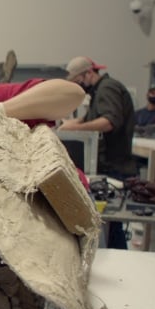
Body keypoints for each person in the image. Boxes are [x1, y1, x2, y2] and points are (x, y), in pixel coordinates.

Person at [59, 56, 138, 249]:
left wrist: (74, 130)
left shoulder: (107, 88)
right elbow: (87, 118)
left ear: (88, 73)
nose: (79, 85)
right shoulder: (98, 92)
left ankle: (119, 264)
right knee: (110, 224)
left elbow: (109, 121)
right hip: (109, 163)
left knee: (112, 224)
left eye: (78, 81)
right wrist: (62, 124)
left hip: (114, 165)